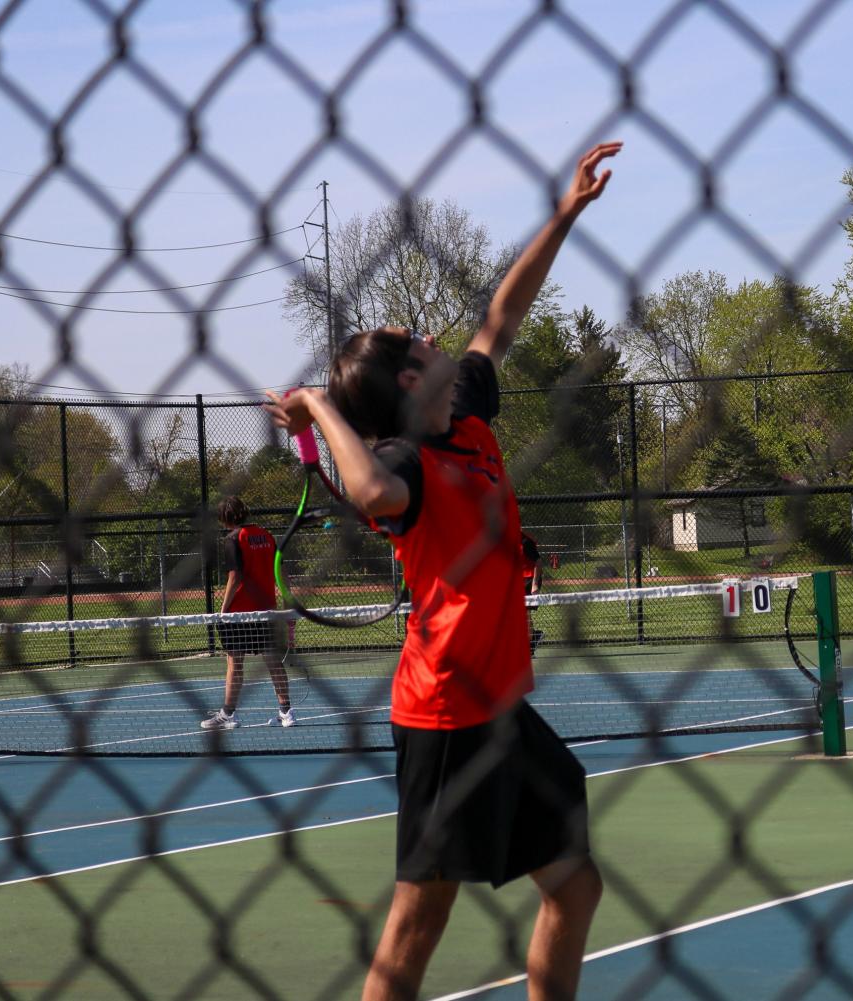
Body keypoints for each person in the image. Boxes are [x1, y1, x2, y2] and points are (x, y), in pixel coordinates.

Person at [266, 142, 617, 1001]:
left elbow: (502, 314)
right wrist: (316, 407)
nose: (434, 338)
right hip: (447, 715)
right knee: (418, 923)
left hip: (500, 706)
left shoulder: (464, 411)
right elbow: (369, 487)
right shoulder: (405, 459)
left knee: (575, 884)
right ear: (405, 386)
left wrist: (565, 212)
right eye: (416, 345)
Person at [201, 495, 293, 730]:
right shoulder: (267, 536)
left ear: (225, 518)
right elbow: (281, 572)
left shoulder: (233, 538)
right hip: (266, 610)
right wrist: (286, 603)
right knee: (273, 661)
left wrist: (223, 610)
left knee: (234, 663)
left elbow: (235, 576)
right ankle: (286, 713)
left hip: (240, 613)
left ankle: (228, 715)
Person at [522, 532, 545, 652]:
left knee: (524, 613)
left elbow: (538, 562)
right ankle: (534, 636)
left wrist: (535, 584)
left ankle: (530, 644)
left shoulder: (525, 541)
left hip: (529, 579)